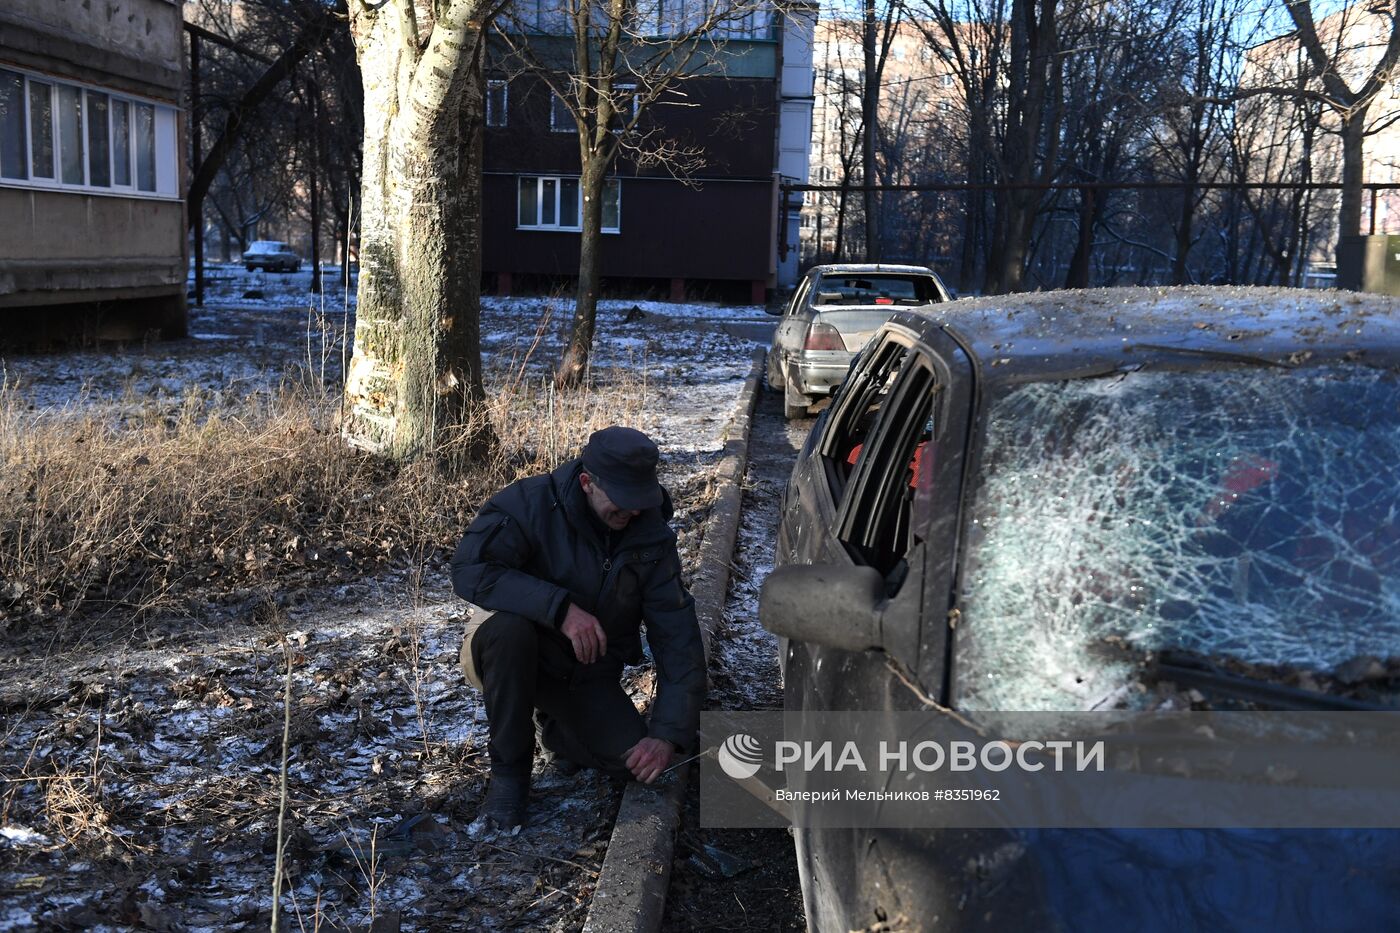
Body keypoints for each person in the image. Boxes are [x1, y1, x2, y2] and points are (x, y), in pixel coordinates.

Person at [451, 426, 706, 832]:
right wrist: (559, 608)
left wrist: (667, 735)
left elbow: (678, 637)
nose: (632, 513)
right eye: (621, 503)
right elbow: (469, 571)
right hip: (509, 652)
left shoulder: (651, 537)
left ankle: (554, 730)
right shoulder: (530, 503)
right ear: (587, 483)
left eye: (640, 502)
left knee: (634, 764)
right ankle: (509, 778)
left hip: (586, 672)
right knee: (510, 633)